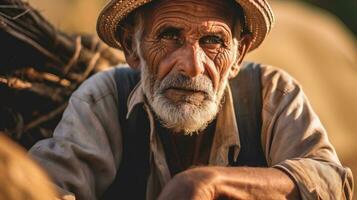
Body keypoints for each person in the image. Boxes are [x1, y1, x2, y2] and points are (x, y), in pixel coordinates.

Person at [29, 0, 353, 199]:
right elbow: (44, 190)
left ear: (239, 53)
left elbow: (333, 186)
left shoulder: (272, 94)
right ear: (132, 48)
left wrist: (209, 182)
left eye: (213, 40)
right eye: (170, 36)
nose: (192, 65)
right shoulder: (104, 100)